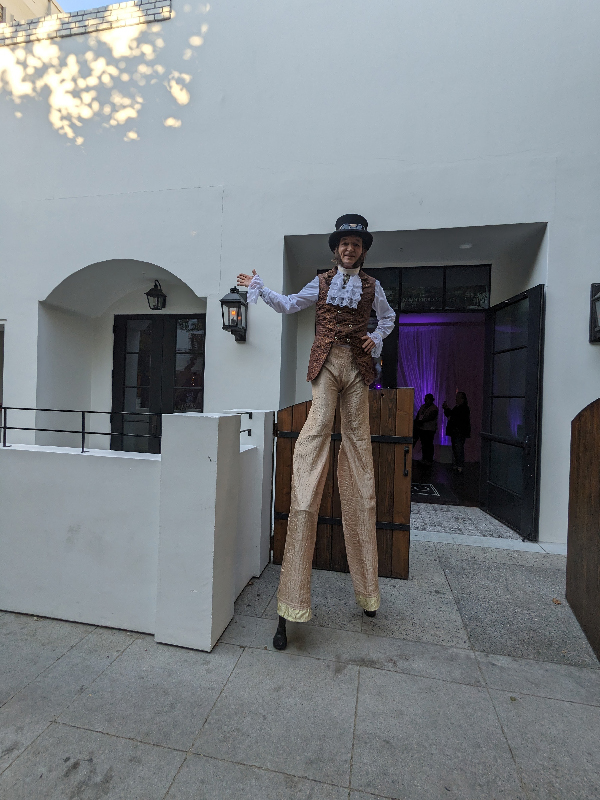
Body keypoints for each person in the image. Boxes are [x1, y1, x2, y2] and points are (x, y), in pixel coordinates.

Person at [237, 214, 396, 650]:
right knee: (312, 448)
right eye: (344, 243)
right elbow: (289, 305)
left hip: (359, 372)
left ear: (363, 249)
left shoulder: (372, 287)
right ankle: (291, 601)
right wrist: (260, 287)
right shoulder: (322, 283)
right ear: (336, 248)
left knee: (360, 459)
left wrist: (374, 337)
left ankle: (368, 591)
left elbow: (388, 318)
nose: (350, 249)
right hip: (326, 368)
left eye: (356, 244)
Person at [442, 392, 471, 473]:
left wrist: (448, 411)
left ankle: (459, 465)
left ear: (462, 399)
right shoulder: (458, 407)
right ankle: (457, 464)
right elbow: (451, 415)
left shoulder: (464, 408)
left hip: (459, 432)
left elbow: (456, 418)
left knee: (458, 448)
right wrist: (446, 409)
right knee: (456, 448)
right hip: (456, 432)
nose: (456, 399)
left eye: (458, 397)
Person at [413, 393, 438, 465]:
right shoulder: (423, 407)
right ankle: (424, 458)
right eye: (425, 399)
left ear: (431, 400)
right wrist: (417, 421)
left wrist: (421, 421)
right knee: (424, 444)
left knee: (429, 444)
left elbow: (431, 417)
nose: (425, 400)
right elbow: (418, 415)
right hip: (422, 428)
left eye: (427, 399)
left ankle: (429, 459)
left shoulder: (434, 408)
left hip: (429, 429)